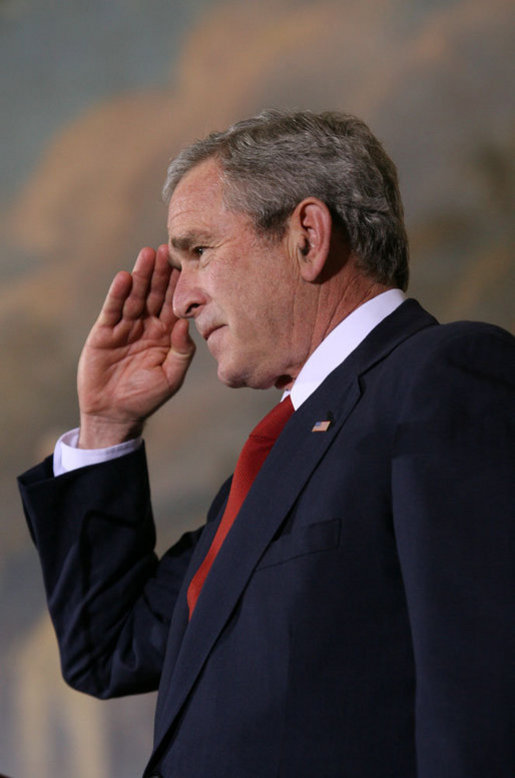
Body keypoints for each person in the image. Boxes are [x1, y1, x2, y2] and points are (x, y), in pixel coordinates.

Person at [19, 110, 514, 778]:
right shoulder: (275, 461)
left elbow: (484, 695)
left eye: (197, 251)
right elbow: (110, 649)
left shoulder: (441, 376)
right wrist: (105, 426)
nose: (183, 299)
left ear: (306, 236)